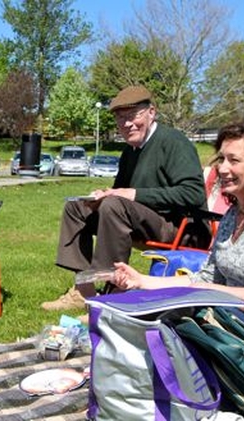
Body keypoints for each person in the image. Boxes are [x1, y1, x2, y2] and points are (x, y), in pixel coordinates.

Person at [111, 117, 244, 352]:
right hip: (234, 322)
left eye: (234, 160)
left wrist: (205, 294)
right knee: (154, 328)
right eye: (222, 159)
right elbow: (204, 279)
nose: (222, 168)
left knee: (171, 336)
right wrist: (142, 281)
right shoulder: (234, 214)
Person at [42, 85, 207, 311]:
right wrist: (103, 195)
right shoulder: (130, 150)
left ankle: (115, 295)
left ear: (152, 112)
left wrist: (131, 194)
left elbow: (193, 193)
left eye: (133, 116)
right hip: (138, 218)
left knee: (114, 205)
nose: (127, 124)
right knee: (76, 207)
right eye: (121, 119)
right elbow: (120, 192)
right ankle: (84, 290)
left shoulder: (174, 142)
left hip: (180, 227)